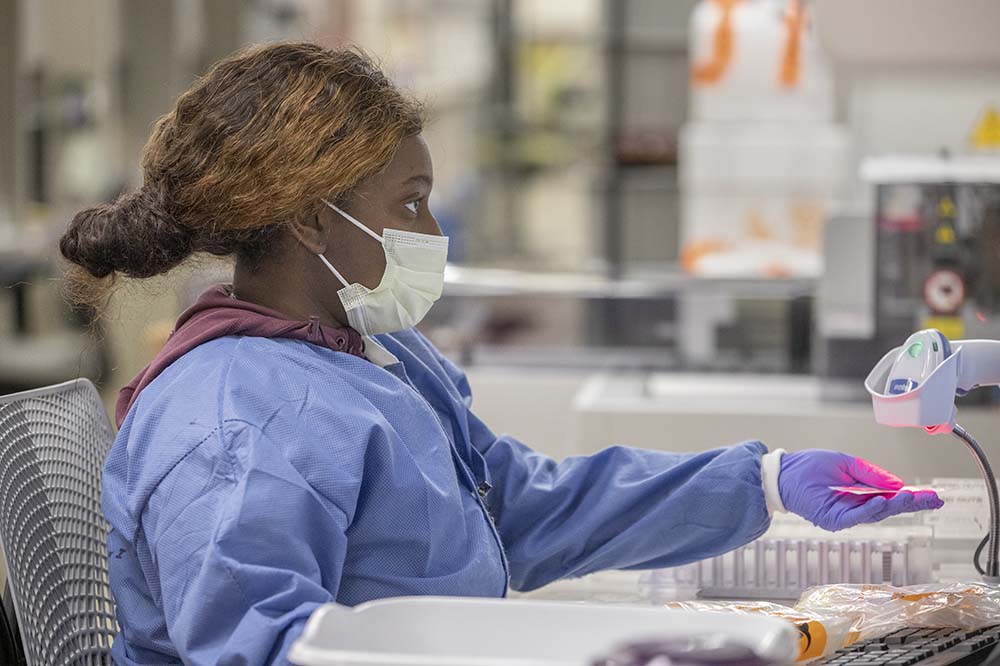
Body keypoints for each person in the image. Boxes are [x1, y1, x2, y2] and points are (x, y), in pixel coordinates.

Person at [59, 43, 942, 666]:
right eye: (410, 204)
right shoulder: (237, 424)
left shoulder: (372, 354)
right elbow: (265, 653)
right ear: (310, 218)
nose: (433, 233)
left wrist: (764, 481)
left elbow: (515, 511)